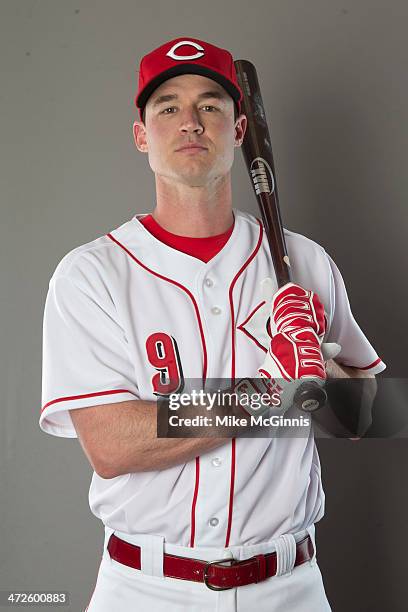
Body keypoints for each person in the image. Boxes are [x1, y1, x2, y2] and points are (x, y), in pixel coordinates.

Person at [39, 37, 386, 611]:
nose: (191, 122)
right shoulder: (90, 274)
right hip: (146, 589)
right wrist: (273, 391)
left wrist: (320, 368)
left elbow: (368, 417)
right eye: (168, 107)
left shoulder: (305, 263)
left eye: (211, 105)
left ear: (240, 128)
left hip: (290, 587)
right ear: (142, 135)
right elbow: (111, 443)